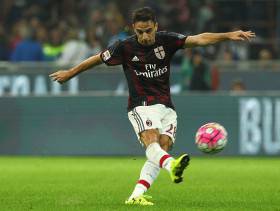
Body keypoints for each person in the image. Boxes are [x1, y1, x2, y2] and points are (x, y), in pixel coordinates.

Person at [49, 7, 255, 206]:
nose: (145, 36)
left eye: (148, 31)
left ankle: (136, 196)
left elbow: (200, 38)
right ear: (133, 28)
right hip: (141, 105)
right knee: (151, 140)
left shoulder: (167, 41)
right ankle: (172, 165)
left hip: (166, 106)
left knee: (162, 146)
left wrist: (229, 35)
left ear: (156, 26)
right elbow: (96, 59)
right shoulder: (124, 47)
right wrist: (70, 73)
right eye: (140, 32)